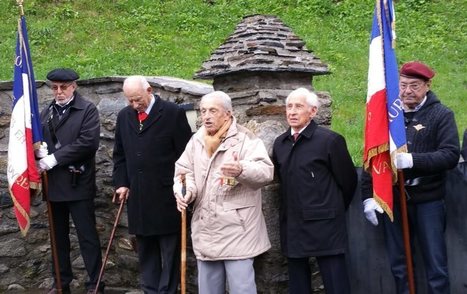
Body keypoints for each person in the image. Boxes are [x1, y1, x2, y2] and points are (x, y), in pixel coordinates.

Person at [362, 61, 460, 294]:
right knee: (399, 265)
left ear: (428, 85)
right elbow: (374, 157)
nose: (407, 91)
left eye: (414, 86)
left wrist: (414, 160)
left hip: (428, 199)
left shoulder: (441, 114)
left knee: (436, 265)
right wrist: (368, 196)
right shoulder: (387, 116)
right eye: (403, 85)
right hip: (393, 198)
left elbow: (450, 155)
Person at [174, 91, 273, 294]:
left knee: (241, 289)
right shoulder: (197, 140)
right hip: (206, 228)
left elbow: (266, 172)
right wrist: (186, 192)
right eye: (203, 111)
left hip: (238, 230)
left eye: (212, 111)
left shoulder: (246, 138)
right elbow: (183, 172)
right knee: (208, 289)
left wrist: (241, 169)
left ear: (227, 114)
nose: (206, 116)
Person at [271, 87, 357, 294]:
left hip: (325, 224)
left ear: (313, 111)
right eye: (289, 106)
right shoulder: (280, 144)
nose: (292, 111)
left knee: (335, 282)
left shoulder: (330, 141)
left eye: (298, 106)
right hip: (293, 224)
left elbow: (348, 181)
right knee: (298, 284)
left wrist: (330, 208)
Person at [112, 75, 192, 293]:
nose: (134, 105)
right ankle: (150, 290)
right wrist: (122, 183)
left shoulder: (172, 114)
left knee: (169, 252)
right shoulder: (124, 117)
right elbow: (119, 156)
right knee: (146, 252)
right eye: (129, 100)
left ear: (149, 90)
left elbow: (186, 155)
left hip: (167, 197)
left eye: (137, 99)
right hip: (138, 197)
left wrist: (183, 188)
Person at [37, 68, 103, 294]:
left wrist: (54, 158)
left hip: (77, 182)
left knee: (87, 237)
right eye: (54, 87)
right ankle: (61, 282)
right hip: (53, 184)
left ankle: (95, 284)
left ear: (74, 86)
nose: (58, 92)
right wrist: (38, 152)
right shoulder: (46, 112)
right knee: (58, 238)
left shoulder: (87, 110)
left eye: (63, 87)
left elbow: (88, 142)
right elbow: (39, 141)